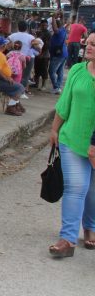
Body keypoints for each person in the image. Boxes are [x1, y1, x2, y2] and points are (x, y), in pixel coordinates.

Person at [47, 32, 95, 258]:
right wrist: (55, 129)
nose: (88, 46)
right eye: (89, 42)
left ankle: (90, 227)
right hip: (72, 139)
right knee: (76, 188)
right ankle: (67, 238)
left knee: (92, 190)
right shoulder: (77, 70)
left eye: (94, 44)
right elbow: (64, 103)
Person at [8, 20, 36, 94]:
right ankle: (21, 91)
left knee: (13, 74)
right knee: (25, 76)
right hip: (27, 58)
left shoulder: (13, 35)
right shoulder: (31, 37)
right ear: (27, 28)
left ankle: (12, 89)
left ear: (18, 27)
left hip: (14, 58)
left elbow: (7, 44)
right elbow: (36, 45)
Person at [49, 14, 68, 94]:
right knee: (60, 71)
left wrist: (53, 17)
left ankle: (56, 87)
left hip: (58, 55)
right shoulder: (63, 29)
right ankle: (58, 87)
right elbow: (62, 22)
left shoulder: (59, 31)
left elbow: (55, 28)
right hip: (63, 54)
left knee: (51, 71)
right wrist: (62, 15)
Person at [33, 20, 51, 90]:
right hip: (37, 54)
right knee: (36, 69)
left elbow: (47, 45)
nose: (44, 27)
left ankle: (44, 86)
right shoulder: (39, 32)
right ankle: (36, 84)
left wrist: (42, 53)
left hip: (45, 55)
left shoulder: (48, 34)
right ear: (40, 25)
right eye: (43, 25)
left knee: (44, 70)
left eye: (46, 25)